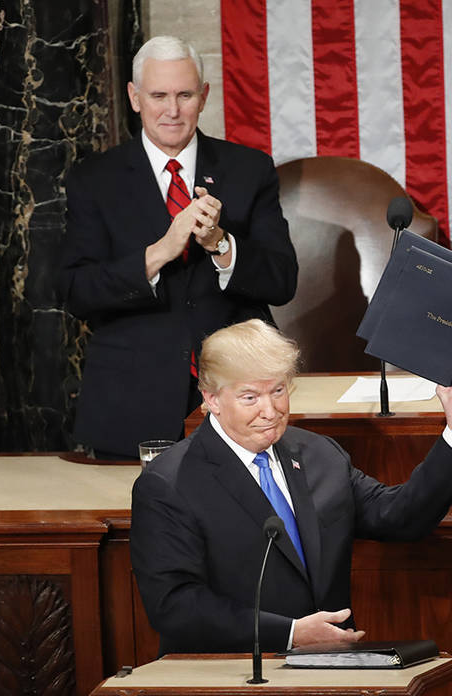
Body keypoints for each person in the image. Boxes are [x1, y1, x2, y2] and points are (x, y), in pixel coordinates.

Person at [130, 319, 452, 654]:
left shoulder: (318, 454)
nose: (270, 410)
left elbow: (399, 517)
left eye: (278, 390)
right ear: (211, 399)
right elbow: (174, 606)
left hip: (330, 667)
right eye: (250, 397)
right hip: (233, 672)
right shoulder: (168, 484)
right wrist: (290, 633)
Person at [57, 36, 297, 459]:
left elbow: (282, 281)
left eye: (185, 95)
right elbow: (76, 291)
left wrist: (221, 244)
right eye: (158, 96)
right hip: (132, 401)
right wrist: (159, 253)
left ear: (204, 96)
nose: (172, 110)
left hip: (239, 399)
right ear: (134, 98)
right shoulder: (93, 179)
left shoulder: (249, 169)